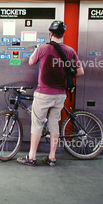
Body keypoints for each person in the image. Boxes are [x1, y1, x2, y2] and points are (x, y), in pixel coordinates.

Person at [17, 21, 84, 167]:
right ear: (63, 34)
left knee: (37, 124)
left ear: (50, 33)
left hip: (43, 93)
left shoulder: (43, 48)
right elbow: (80, 72)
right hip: (60, 94)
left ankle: (32, 157)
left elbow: (31, 61)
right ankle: (52, 157)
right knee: (54, 125)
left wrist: (36, 50)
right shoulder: (70, 51)